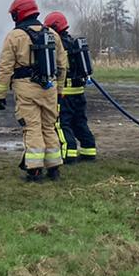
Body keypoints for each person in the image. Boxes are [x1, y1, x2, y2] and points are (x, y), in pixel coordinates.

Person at [0, 0, 66, 181]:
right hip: (50, 88)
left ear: (18, 14)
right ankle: (54, 169)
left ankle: (34, 170)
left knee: (32, 128)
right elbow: (62, 66)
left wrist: (0, 95)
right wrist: (59, 91)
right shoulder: (53, 34)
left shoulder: (14, 37)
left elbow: (5, 68)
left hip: (26, 89)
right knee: (49, 127)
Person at [45, 11, 97, 164]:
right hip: (79, 92)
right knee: (80, 122)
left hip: (64, 94)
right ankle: (89, 151)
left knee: (62, 124)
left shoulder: (57, 45)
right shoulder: (74, 42)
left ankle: (68, 154)